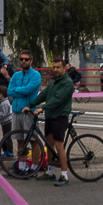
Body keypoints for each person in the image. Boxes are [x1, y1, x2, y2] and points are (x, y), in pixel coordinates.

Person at [25, 56, 74, 187]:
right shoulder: (54, 82)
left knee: (59, 145)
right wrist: (30, 105)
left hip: (60, 116)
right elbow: (43, 95)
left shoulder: (67, 83)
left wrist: (42, 108)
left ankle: (64, 176)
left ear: (64, 68)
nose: (55, 69)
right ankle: (50, 172)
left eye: (58, 67)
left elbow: (57, 99)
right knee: (49, 144)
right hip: (51, 117)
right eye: (54, 67)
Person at [6, 50, 41, 152]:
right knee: (19, 140)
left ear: (31, 61)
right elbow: (9, 91)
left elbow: (28, 90)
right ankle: (21, 165)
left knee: (33, 140)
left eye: (26, 59)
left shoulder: (35, 75)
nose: (23, 61)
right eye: (21, 59)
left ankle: (35, 166)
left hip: (28, 111)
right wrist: (21, 90)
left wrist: (16, 89)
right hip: (16, 111)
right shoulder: (16, 75)